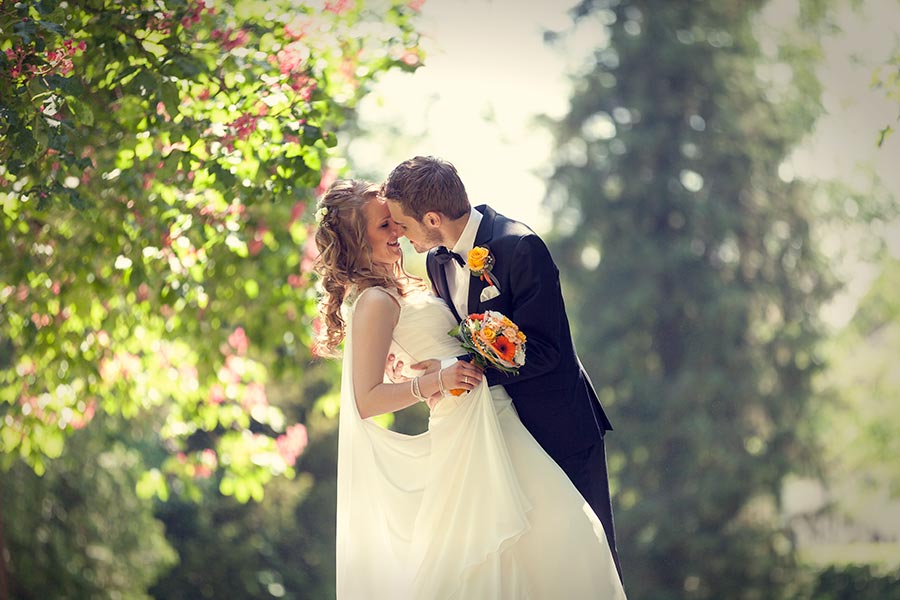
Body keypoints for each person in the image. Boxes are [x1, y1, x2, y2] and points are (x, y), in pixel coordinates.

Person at [314, 179, 625, 599]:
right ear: (356, 239)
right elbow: (366, 400)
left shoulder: (418, 277)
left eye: (396, 223)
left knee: (560, 541)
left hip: (498, 415)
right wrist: (434, 380)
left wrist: (419, 372)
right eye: (385, 226)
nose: (397, 233)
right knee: (512, 551)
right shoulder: (374, 302)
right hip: (466, 425)